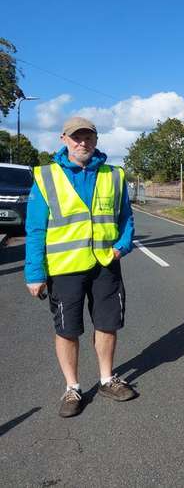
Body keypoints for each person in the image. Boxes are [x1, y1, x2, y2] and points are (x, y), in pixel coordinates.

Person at [25, 116, 137, 418]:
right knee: (67, 329)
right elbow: (35, 229)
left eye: (88, 137)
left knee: (108, 323)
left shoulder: (114, 175)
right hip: (65, 268)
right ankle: (72, 387)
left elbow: (126, 217)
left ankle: (106, 379)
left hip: (105, 264)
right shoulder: (46, 176)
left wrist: (121, 246)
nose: (82, 142)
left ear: (96, 141)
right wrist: (34, 273)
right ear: (64, 139)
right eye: (76, 137)